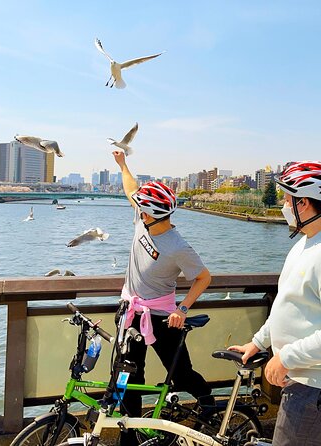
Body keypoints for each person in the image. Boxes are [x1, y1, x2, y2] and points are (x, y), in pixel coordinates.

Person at [229, 161, 321, 446]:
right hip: (306, 377)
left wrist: (286, 357)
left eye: (286, 199)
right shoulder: (308, 243)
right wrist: (259, 342)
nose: (283, 205)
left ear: (303, 203)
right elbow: (289, 304)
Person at [112, 151, 213, 446]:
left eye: (142, 210)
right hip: (130, 313)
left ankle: (209, 406)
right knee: (128, 377)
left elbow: (204, 277)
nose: (138, 212)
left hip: (162, 318)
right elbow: (131, 188)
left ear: (152, 213)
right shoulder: (141, 221)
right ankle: (129, 436)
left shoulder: (178, 246)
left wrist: (182, 308)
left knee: (181, 374)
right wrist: (123, 164)